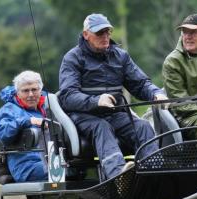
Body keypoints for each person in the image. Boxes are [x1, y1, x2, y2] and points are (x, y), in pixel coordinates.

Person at [59, 13, 167, 180]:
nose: (105, 37)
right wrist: (96, 101)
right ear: (86, 34)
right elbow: (67, 96)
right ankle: (119, 176)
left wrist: (155, 93)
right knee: (101, 127)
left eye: (108, 32)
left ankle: (155, 175)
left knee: (143, 126)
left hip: (114, 114)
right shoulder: (72, 58)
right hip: (84, 116)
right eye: (99, 33)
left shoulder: (120, 56)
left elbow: (140, 83)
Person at [0, 70, 48, 182]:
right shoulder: (9, 109)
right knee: (68, 171)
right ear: (17, 93)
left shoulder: (48, 107)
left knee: (83, 169)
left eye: (34, 89)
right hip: (26, 167)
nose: (30, 94)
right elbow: (3, 135)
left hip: (51, 161)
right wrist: (28, 120)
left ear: (40, 90)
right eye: (25, 91)